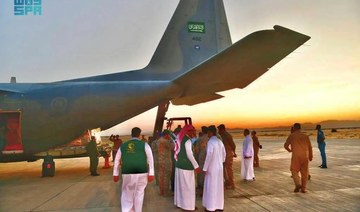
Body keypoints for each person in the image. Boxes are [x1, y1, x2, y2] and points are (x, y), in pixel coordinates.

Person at [113, 127, 154, 212]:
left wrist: (115, 174)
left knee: (127, 194)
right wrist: (151, 173)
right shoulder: (145, 145)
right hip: (142, 172)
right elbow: (150, 159)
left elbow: (117, 160)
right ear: (139, 135)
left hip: (127, 173)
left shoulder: (123, 146)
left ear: (131, 134)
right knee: (139, 193)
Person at [174, 124, 201, 211]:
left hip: (179, 165)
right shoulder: (187, 141)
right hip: (186, 167)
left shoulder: (181, 139)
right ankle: (188, 206)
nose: (194, 132)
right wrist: (196, 166)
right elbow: (189, 154)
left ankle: (180, 203)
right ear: (188, 131)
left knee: (180, 186)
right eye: (193, 131)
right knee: (188, 187)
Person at [202, 125, 226, 211]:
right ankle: (219, 206)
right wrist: (220, 162)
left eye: (208, 132)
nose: (207, 134)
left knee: (211, 186)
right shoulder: (220, 141)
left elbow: (209, 156)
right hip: (219, 167)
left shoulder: (210, 142)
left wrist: (205, 168)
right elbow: (224, 155)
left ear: (211, 132)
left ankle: (211, 207)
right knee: (219, 186)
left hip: (212, 167)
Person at [284, 123, 313, 193]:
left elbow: (285, 145)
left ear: (294, 128)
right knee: (304, 173)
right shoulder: (305, 136)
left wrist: (289, 150)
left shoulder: (292, 136)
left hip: (296, 156)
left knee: (294, 170)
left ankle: (297, 184)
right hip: (305, 156)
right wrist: (310, 156)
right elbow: (310, 147)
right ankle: (303, 189)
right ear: (300, 128)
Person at [217, 124, 236, 189]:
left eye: (219, 130)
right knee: (224, 168)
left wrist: (234, 152)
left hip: (227, 154)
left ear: (222, 129)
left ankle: (232, 184)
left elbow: (233, 145)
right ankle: (227, 182)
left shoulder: (226, 135)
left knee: (228, 169)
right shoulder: (221, 135)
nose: (218, 131)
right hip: (224, 154)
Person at [157, 129, 175, 196]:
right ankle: (165, 192)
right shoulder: (165, 141)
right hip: (166, 161)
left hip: (161, 160)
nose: (169, 136)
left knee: (161, 176)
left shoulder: (159, 140)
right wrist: (171, 140)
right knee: (166, 177)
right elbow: (174, 147)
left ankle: (161, 191)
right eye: (169, 135)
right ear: (166, 135)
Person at [194, 126, 209, 196]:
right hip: (210, 158)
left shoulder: (200, 139)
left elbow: (197, 150)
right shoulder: (210, 139)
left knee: (201, 174)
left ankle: (202, 190)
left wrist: (196, 159)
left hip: (202, 158)